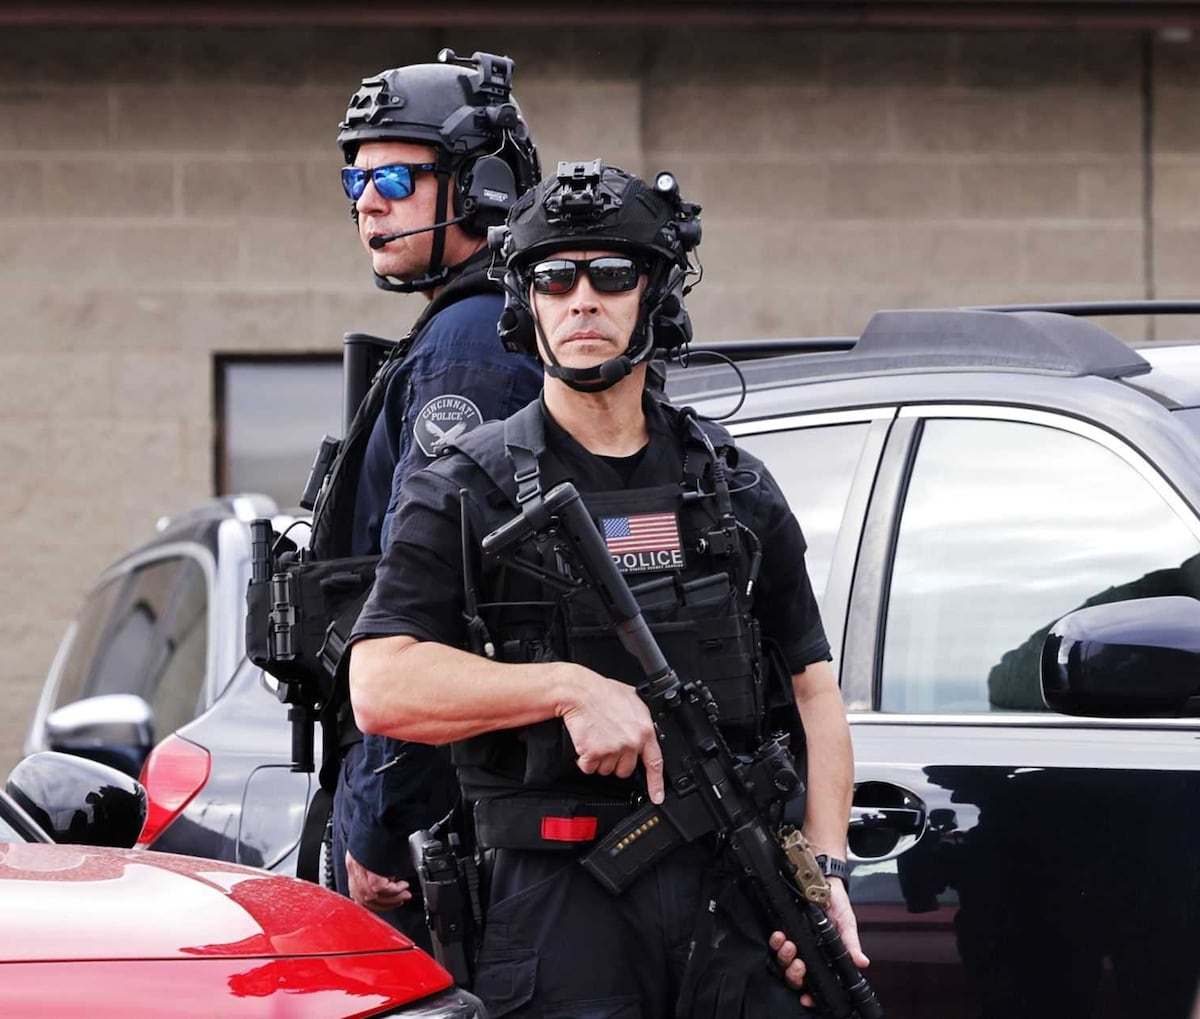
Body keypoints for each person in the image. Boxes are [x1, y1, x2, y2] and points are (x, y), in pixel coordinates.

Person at [347, 160, 867, 1015]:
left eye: (612, 275)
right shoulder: (460, 489)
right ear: (527, 305)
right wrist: (565, 688)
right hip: (554, 904)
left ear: (654, 299)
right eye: (555, 277)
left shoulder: (733, 487)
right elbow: (380, 685)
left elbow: (814, 691)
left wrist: (825, 869)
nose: (581, 298)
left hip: (733, 897)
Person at [308, 50, 544, 943]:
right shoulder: (477, 323)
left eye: (396, 177)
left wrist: (378, 809)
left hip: (443, 800)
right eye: (356, 180)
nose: (367, 201)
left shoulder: (471, 345)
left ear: (478, 185)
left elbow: (437, 594)